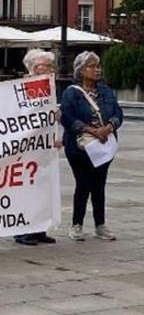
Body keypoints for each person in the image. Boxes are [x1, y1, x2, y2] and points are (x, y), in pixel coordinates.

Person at [61, 51, 123, 242]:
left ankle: (100, 225)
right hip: (79, 146)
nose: (97, 70)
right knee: (83, 183)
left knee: (99, 184)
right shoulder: (71, 92)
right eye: (92, 66)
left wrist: (109, 127)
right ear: (81, 70)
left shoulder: (105, 91)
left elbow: (118, 113)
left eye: (98, 66)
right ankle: (76, 224)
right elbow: (67, 117)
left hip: (103, 145)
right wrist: (90, 130)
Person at [13, 49, 59, 246]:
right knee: (26, 189)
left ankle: (39, 228)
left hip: (44, 147)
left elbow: (47, 117)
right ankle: (22, 230)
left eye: (50, 65)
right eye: (45, 65)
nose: (49, 69)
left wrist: (55, 133)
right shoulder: (22, 87)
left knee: (43, 187)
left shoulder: (48, 87)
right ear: (33, 67)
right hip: (27, 147)